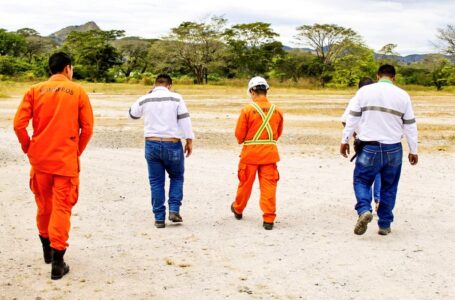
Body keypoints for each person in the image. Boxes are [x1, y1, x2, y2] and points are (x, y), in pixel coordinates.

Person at [13, 52, 94, 280]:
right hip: (65, 161)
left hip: (40, 160)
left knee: (43, 205)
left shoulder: (34, 90)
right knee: (61, 208)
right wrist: (76, 151)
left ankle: (47, 251)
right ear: (68, 68)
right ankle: (58, 262)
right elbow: (87, 128)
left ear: (51, 69)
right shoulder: (78, 91)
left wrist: (28, 147)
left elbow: (18, 125)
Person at [340, 64, 418, 236]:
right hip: (394, 148)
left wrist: (345, 139)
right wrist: (414, 150)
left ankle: (364, 210)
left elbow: (352, 118)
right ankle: (384, 224)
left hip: (369, 147)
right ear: (394, 78)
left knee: (361, 180)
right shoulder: (403, 95)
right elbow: (410, 125)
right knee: (389, 187)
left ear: (377, 76)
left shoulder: (364, 92)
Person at [129, 74, 194, 228]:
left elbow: (132, 114)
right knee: (177, 177)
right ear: (169, 85)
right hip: (172, 144)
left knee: (156, 182)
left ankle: (159, 218)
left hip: (151, 144)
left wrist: (146, 96)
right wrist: (189, 140)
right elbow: (185, 120)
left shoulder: (146, 98)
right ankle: (174, 209)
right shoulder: (176, 98)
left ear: (154, 84)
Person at [231, 76, 284, 230]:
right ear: (266, 91)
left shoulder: (247, 110)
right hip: (269, 154)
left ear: (252, 91)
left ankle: (238, 209)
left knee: (245, 184)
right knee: (269, 186)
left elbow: (239, 135)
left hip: (250, 154)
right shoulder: (277, 110)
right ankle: (268, 219)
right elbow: (278, 133)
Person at [341, 77, 381, 212]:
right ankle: (379, 199)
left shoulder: (355, 99)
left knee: (363, 176)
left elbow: (345, 120)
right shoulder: (380, 98)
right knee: (379, 172)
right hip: (382, 141)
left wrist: (352, 135)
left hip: (363, 142)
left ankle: (365, 207)